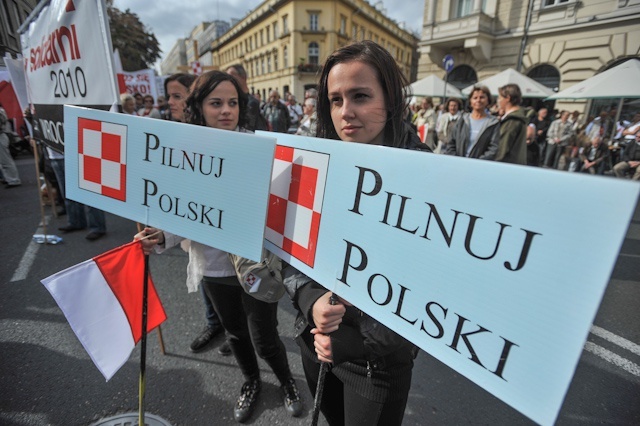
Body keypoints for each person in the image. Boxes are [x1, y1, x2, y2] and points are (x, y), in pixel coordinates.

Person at [136, 71, 303, 423]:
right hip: (213, 266)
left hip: (256, 265)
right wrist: (160, 237)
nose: (226, 110)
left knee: (265, 336)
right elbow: (179, 208)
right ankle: (251, 382)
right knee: (235, 333)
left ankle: (287, 381)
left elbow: (281, 205)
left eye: (233, 103)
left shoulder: (259, 148)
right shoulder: (181, 151)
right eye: (216, 103)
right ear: (199, 107)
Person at [284, 40, 422, 426]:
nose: (346, 112)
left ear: (390, 99)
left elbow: (428, 292)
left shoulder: (426, 179)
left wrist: (354, 341)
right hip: (315, 342)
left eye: (360, 96)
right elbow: (287, 251)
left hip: (376, 366)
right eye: (335, 99)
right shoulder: (314, 165)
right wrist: (311, 301)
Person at [163, 72, 228, 356]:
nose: (171, 103)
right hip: (203, 247)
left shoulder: (240, 140)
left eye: (178, 96)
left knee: (253, 326)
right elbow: (178, 202)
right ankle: (217, 325)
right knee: (208, 282)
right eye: (169, 96)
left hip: (238, 258)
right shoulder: (176, 141)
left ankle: (233, 332)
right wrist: (162, 235)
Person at [445, 85, 499, 160]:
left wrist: (476, 163)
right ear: (470, 101)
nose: (478, 100)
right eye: (475, 98)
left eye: (482, 97)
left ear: (488, 100)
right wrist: (456, 160)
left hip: (480, 166)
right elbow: (451, 144)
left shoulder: (493, 123)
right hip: (458, 164)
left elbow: (493, 148)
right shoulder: (463, 120)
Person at [225, 64, 268, 131]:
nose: (228, 80)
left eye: (231, 76)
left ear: (243, 77)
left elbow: (249, 128)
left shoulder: (251, 103)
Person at [495, 84, 527, 165]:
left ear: (508, 98)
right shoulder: (518, 116)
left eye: (500, 98)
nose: (498, 101)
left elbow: (502, 149)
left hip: (506, 166)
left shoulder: (512, 120)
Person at [0, 104, 22, 188]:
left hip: (1, 136)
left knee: (5, 160)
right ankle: (8, 178)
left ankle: (13, 179)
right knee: (3, 161)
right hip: (2, 135)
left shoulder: (1, 111)